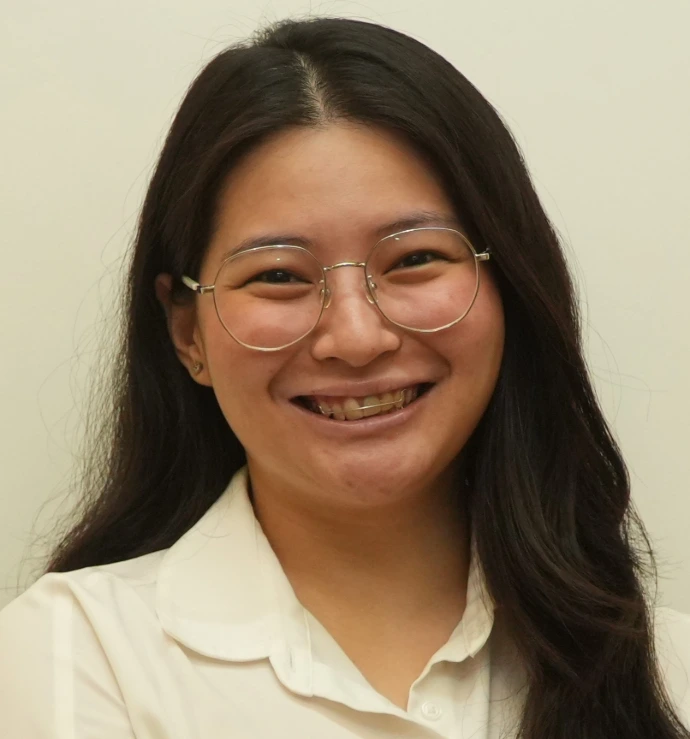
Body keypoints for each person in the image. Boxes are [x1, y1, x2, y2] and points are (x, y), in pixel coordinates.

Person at [0, 15, 688, 739]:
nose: (356, 338)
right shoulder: (76, 657)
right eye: (277, 275)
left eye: (415, 259)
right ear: (187, 333)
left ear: (510, 285)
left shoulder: (665, 672)